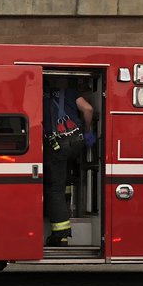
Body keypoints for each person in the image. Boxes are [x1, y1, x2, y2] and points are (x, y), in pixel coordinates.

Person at [42, 83, 95, 246]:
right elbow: (88, 109)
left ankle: (61, 235)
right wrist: (87, 130)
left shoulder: (38, 98)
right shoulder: (70, 92)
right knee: (65, 178)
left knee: (54, 188)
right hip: (77, 143)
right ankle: (68, 202)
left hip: (57, 147)